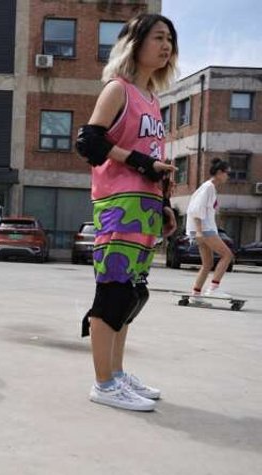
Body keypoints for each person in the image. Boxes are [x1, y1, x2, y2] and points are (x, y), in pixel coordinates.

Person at [75, 14, 179, 412]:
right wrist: (137, 162)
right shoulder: (117, 90)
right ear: (135, 42)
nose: (166, 45)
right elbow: (88, 141)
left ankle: (117, 374)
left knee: (133, 294)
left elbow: (155, 159)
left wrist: (165, 204)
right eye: (158, 37)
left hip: (146, 206)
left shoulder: (152, 99)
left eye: (170, 39)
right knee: (113, 291)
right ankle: (103, 383)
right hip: (119, 205)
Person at [186, 158, 235, 300]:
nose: (228, 176)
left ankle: (196, 293)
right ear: (219, 173)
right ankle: (213, 288)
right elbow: (196, 209)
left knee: (207, 263)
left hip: (202, 230)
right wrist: (200, 231)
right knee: (227, 255)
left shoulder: (208, 187)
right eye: (227, 173)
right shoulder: (209, 187)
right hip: (205, 230)